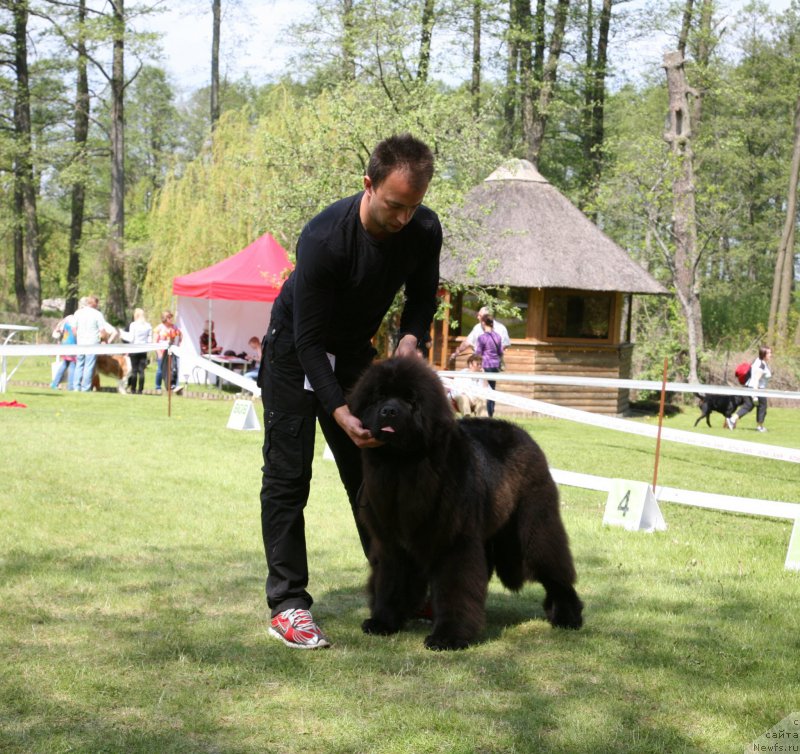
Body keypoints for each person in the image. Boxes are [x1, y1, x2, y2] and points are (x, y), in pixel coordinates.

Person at [258, 134, 441, 649]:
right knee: (288, 477)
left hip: (356, 352)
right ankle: (288, 605)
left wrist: (410, 341)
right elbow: (309, 341)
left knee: (373, 475)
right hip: (296, 353)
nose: (404, 218)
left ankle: (396, 591)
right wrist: (337, 410)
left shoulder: (423, 229)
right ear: (368, 184)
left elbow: (423, 297)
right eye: (394, 206)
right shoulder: (323, 239)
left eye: (414, 206)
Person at [72, 295, 112, 392]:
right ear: (95, 304)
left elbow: (74, 330)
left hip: (80, 343)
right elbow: (102, 332)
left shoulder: (78, 313)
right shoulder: (97, 314)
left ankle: (76, 387)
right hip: (92, 344)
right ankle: (85, 388)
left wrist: (79, 338)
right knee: (89, 366)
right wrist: (105, 340)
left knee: (79, 365)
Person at [727, 346, 772, 432]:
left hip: (749, 387)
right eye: (769, 353)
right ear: (764, 354)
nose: (771, 355)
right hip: (757, 389)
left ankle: (732, 420)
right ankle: (760, 426)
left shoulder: (757, 361)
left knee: (748, 406)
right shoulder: (761, 366)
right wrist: (755, 395)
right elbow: (756, 380)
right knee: (762, 407)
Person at [473, 313, 504, 417]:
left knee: (484, 390)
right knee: (492, 390)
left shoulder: (482, 338)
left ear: (483, 323)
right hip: (495, 366)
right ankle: (490, 414)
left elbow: (478, 354)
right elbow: (500, 352)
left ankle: (485, 414)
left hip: (485, 366)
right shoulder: (498, 337)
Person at [154, 311, 182, 394]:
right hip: (162, 352)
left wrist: (178, 345)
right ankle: (158, 386)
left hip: (172, 352)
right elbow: (155, 341)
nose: (171, 319)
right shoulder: (159, 328)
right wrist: (158, 352)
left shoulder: (174, 327)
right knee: (160, 369)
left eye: (171, 317)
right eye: (169, 317)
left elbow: (180, 335)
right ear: (165, 318)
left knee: (173, 369)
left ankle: (172, 386)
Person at [126, 308, 152, 394]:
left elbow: (131, 338)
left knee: (134, 370)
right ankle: (140, 389)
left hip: (134, 349)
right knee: (141, 371)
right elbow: (149, 340)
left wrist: (123, 335)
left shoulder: (133, 325)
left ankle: (133, 389)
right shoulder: (148, 326)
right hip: (143, 350)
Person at [50, 313, 77, 390]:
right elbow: (75, 333)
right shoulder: (75, 320)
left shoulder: (66, 319)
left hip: (65, 344)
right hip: (72, 345)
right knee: (72, 365)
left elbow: (58, 330)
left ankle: (54, 383)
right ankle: (71, 386)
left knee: (64, 364)